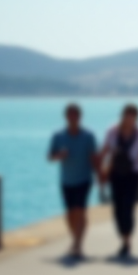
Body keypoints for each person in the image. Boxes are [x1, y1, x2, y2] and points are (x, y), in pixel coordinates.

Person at [47, 103, 100, 259]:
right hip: (66, 180)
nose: (72, 118)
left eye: (75, 115)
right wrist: (59, 156)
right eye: (70, 115)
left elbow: (94, 157)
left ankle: (78, 244)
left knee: (80, 211)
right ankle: (75, 239)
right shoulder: (58, 136)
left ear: (80, 117)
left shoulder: (88, 136)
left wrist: (100, 176)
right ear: (66, 117)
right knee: (70, 213)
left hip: (84, 179)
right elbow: (50, 156)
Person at [100, 104, 138, 259]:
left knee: (128, 206)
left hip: (133, 174)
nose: (130, 119)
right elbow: (105, 150)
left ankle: (127, 241)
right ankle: (123, 237)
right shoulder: (112, 132)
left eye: (133, 116)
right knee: (117, 208)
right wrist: (100, 169)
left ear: (136, 118)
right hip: (115, 173)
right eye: (127, 116)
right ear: (122, 116)